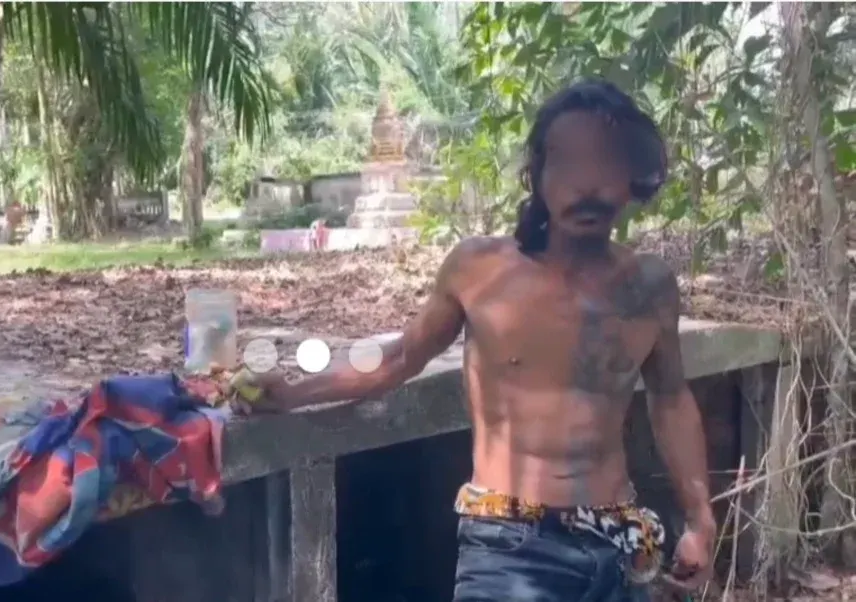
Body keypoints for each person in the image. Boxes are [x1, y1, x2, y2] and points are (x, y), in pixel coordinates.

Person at [247, 78, 716, 601]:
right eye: (567, 162)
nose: (587, 185)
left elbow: (671, 398)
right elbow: (400, 357)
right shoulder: (479, 269)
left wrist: (700, 519)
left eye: (605, 163)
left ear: (633, 178)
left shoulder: (649, 286)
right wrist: (293, 393)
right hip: (508, 544)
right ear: (537, 174)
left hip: (619, 544)